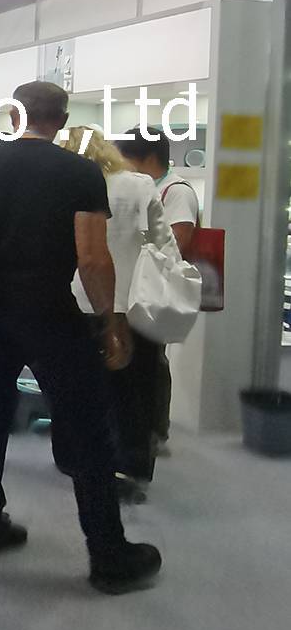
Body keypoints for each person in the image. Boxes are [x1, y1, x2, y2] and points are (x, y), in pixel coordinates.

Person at [0, 81, 162, 595]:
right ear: (63, 119)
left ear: (15, 113)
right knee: (88, 427)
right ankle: (108, 554)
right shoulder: (77, 171)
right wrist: (111, 322)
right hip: (49, 311)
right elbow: (92, 258)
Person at [64, 128, 176, 502]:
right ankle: (130, 466)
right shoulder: (138, 185)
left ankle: (77, 458)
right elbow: (164, 244)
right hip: (133, 300)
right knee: (135, 388)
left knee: (79, 387)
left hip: (78, 298)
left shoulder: (65, 185)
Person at [116, 128, 193, 455]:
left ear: (147, 157)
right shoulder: (144, 186)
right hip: (134, 290)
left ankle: (153, 432)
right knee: (136, 365)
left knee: (150, 365)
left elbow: (177, 244)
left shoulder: (176, 192)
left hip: (152, 291)